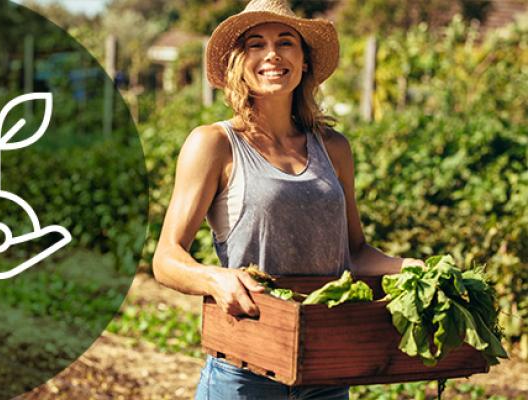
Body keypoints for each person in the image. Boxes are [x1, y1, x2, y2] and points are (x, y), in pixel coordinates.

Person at [153, 0, 424, 398]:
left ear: (304, 61)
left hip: (325, 367)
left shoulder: (334, 149)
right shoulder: (214, 144)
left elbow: (355, 252)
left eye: (286, 42)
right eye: (256, 44)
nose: (272, 55)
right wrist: (216, 278)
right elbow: (166, 258)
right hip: (245, 367)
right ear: (237, 62)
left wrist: (412, 267)